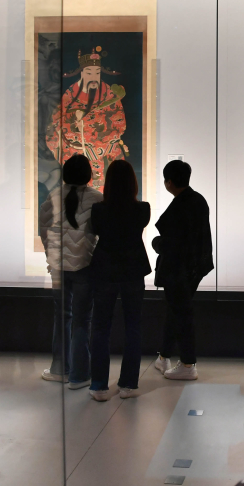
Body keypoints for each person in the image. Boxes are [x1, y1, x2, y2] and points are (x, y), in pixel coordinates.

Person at [88, 160, 150, 401]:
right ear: (133, 183)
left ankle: (99, 385)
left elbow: (97, 231)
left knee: (101, 327)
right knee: (133, 326)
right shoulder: (142, 209)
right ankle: (128, 384)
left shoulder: (99, 210)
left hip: (105, 268)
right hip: (133, 268)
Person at [39, 154, 102, 388]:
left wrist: (52, 255)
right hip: (85, 266)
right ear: (88, 175)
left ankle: (60, 369)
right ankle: (79, 374)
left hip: (58, 268)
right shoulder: (97, 198)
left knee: (62, 317)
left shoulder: (54, 195)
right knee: (82, 320)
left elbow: (44, 229)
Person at [152, 160, 214, 381]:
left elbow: (173, 243)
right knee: (176, 310)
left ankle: (188, 363)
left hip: (179, 268)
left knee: (181, 313)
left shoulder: (180, 206)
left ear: (169, 182)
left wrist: (156, 243)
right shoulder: (198, 200)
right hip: (194, 267)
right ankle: (164, 356)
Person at [45, 47, 128, 189]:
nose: (93, 77)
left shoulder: (109, 95)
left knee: (107, 185)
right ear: (82, 73)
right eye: (89, 73)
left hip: (104, 150)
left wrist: (93, 135)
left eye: (97, 73)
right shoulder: (70, 94)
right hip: (74, 151)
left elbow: (119, 123)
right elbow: (57, 119)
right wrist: (74, 119)